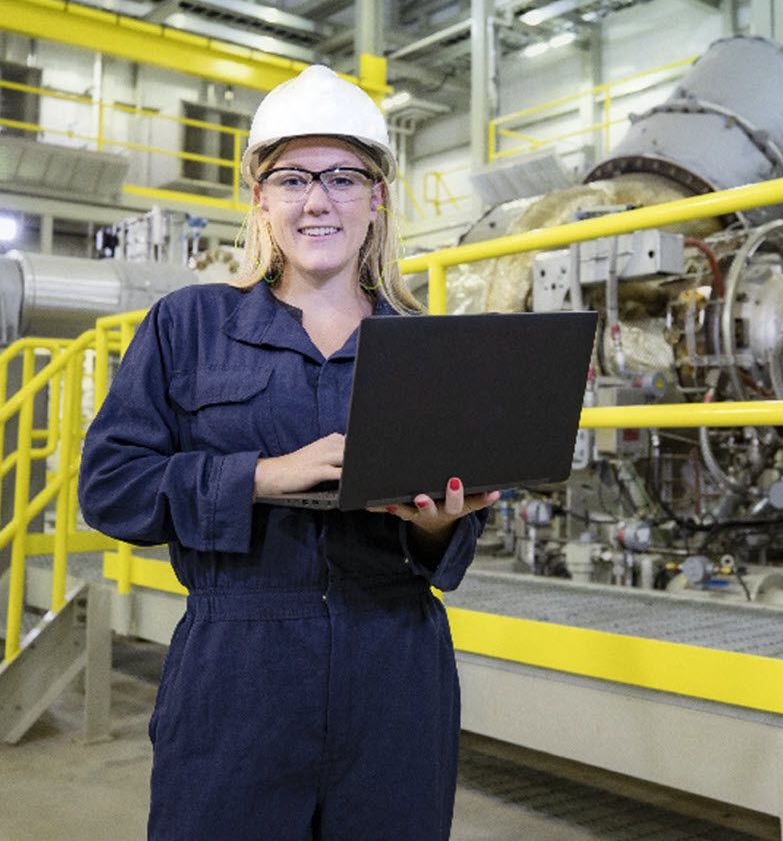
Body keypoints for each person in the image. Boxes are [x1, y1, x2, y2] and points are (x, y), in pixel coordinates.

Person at [78, 65, 499, 841]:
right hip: (237, 673)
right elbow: (111, 489)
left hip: (394, 670)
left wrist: (439, 523)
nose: (317, 201)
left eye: (343, 177)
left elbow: (454, 528)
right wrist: (260, 477)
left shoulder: (428, 347)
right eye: (293, 178)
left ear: (377, 198)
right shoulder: (188, 326)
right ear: (260, 198)